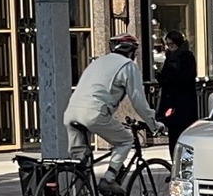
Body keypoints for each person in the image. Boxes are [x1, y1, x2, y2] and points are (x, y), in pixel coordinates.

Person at [64, 33, 157, 168]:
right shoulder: (128, 65)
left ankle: (77, 188)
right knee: (125, 141)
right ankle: (109, 179)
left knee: (81, 163)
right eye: (135, 52)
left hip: (71, 113)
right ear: (130, 51)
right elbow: (138, 100)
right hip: (94, 114)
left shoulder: (97, 62)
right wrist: (153, 124)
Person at [154, 30, 199, 142]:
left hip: (183, 102)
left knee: (183, 132)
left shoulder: (187, 57)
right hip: (171, 100)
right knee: (173, 134)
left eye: (171, 45)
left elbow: (187, 78)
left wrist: (170, 77)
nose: (169, 47)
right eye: (167, 45)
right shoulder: (169, 57)